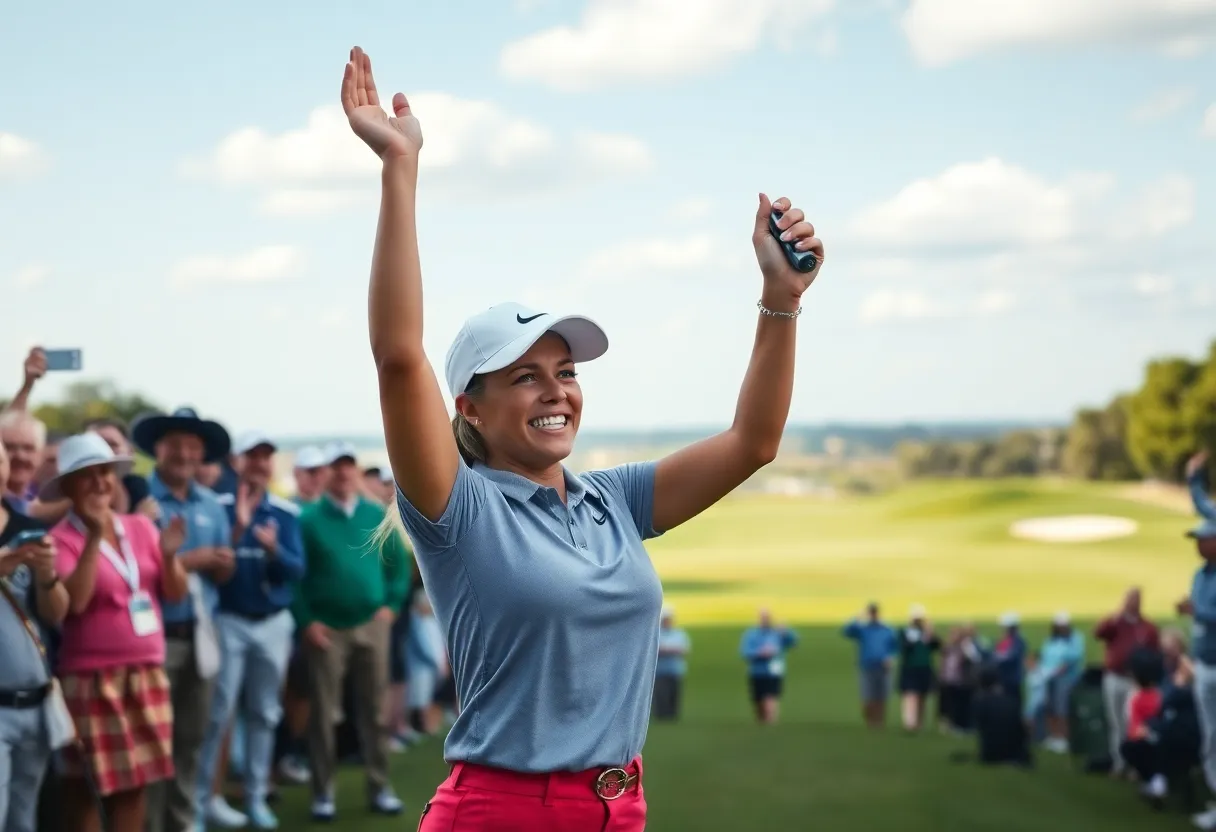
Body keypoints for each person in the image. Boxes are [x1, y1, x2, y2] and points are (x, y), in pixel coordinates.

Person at [343, 43, 824, 832]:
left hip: (619, 807)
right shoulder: (457, 509)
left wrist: (781, 298)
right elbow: (400, 360)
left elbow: (753, 442)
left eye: (565, 371)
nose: (556, 391)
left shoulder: (614, 500)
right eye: (525, 375)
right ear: (470, 407)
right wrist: (400, 166)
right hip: (499, 812)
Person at [46, 433, 191, 832]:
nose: (99, 483)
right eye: (87, 475)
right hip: (92, 678)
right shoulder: (60, 538)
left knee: (136, 788)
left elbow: (175, 592)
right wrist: (94, 537)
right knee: (88, 790)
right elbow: (74, 603)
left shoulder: (140, 527)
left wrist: (169, 554)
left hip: (144, 673)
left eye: (106, 472)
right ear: (68, 487)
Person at [294, 441, 411, 822]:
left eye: (348, 466)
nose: (343, 473)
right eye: (335, 467)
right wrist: (306, 620)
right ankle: (322, 793)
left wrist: (390, 608)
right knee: (325, 716)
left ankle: (380, 787)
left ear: (356, 472)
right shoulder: (308, 519)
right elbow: (296, 578)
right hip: (326, 629)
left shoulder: (375, 513)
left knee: (375, 713)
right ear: (326, 473)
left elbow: (398, 566)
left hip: (371, 626)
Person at [195, 432, 306, 830]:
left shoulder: (285, 511)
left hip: (272, 624)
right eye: (252, 456)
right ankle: (203, 801)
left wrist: (275, 550)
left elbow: (296, 571)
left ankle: (257, 797)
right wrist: (240, 531)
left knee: (264, 712)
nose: (260, 464)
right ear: (236, 462)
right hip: (228, 621)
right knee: (217, 713)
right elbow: (213, 568)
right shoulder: (217, 506)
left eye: (266, 457)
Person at [132, 406, 235, 832]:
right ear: (158, 447)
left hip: (202, 639)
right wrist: (189, 560)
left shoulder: (212, 503)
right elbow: (133, 571)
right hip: (154, 640)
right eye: (176, 444)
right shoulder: (140, 503)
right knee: (152, 745)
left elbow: (225, 574)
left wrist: (220, 563)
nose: (184, 453)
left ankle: (182, 822)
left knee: (191, 740)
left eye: (193, 446)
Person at [0, 439, 69, 832]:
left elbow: (56, 613)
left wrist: (47, 576)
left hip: (36, 704)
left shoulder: (29, 529)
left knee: (25, 819)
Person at [1180, 450, 1216, 830]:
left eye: (1204, 540)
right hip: (1205, 664)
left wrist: (1197, 613)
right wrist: (1194, 478)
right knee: (1211, 740)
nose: (1199, 543)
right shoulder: (1200, 574)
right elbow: (1204, 505)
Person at [1094, 587, 1160, 777]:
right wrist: (1116, 616)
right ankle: (1119, 761)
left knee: (1133, 722)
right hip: (1114, 676)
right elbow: (1099, 633)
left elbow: (1154, 652)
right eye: (1131, 599)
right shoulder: (1116, 622)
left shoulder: (1147, 627)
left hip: (1136, 681)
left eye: (1137, 599)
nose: (1133, 603)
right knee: (1115, 721)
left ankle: (1134, 764)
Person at [842, 602, 897, 728]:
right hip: (867, 665)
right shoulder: (863, 629)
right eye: (871, 612)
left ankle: (879, 722)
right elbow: (846, 631)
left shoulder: (887, 629)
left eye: (874, 612)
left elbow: (894, 646)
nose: (873, 615)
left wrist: (890, 657)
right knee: (868, 697)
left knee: (881, 697)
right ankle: (870, 719)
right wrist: (857, 617)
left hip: (883, 666)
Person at [740, 610, 799, 725]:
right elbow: (745, 652)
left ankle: (771, 722)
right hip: (757, 671)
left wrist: (786, 632)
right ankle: (764, 722)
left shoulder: (778, 633)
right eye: (763, 618)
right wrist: (759, 653)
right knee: (759, 702)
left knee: (771, 698)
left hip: (774, 671)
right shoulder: (751, 634)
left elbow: (794, 643)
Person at [1038, 611, 1085, 754]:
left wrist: (1061, 667)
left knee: (1062, 708)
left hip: (1066, 679)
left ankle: (1064, 738)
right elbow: (1045, 654)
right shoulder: (1051, 639)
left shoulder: (1075, 638)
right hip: (1049, 677)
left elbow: (1075, 656)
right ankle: (1054, 736)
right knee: (1050, 707)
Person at [896, 604, 940, 732]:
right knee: (910, 695)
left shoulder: (927, 633)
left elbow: (937, 645)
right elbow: (905, 647)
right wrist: (915, 638)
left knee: (922, 696)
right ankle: (910, 723)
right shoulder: (905, 632)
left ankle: (919, 723)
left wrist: (930, 633)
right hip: (910, 667)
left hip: (925, 667)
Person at [653, 605, 692, 722]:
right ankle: (661, 714)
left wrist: (667, 650)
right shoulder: (655, 633)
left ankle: (672, 715)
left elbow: (685, 649)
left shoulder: (679, 633)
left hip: (675, 669)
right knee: (661, 693)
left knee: (674, 693)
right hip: (659, 670)